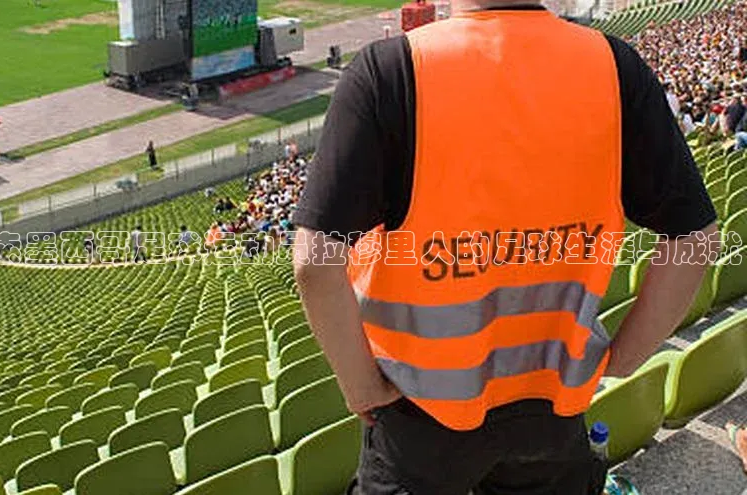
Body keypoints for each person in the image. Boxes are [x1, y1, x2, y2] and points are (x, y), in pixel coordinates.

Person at [291, 2, 720, 493]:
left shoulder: (391, 70)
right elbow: (696, 239)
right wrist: (624, 358)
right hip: (554, 409)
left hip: (420, 416)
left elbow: (315, 261)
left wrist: (360, 386)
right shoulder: (613, 65)